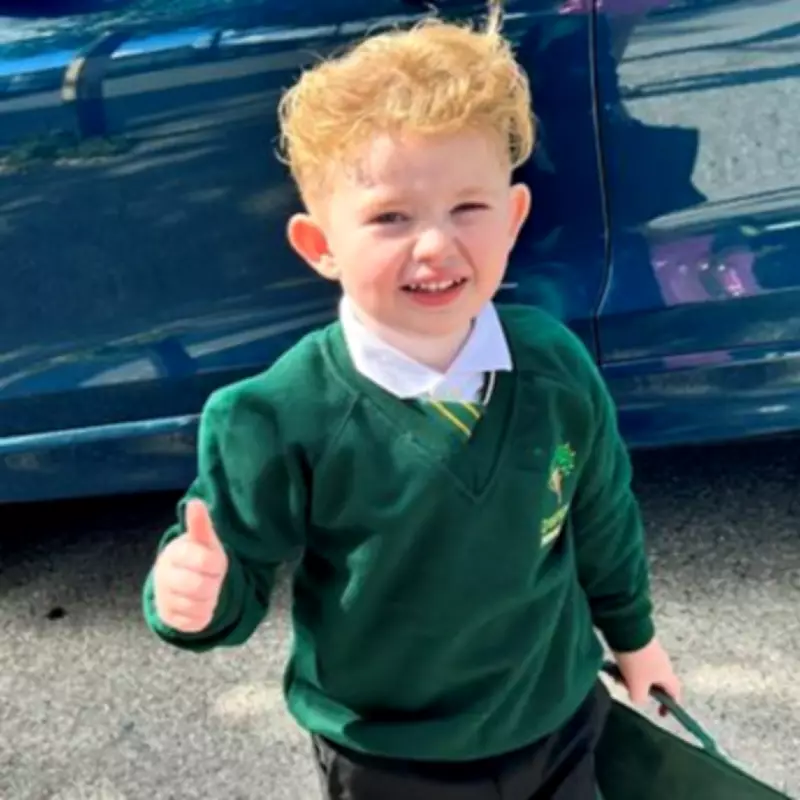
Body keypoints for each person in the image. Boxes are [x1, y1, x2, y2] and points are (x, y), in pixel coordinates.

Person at [142, 5, 681, 798]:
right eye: (391, 217)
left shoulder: (555, 366)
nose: (435, 244)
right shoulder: (276, 415)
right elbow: (235, 566)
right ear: (320, 245)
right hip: (389, 758)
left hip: (559, 719)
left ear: (513, 217)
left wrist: (635, 639)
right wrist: (193, 594)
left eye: (468, 208)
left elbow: (601, 514)